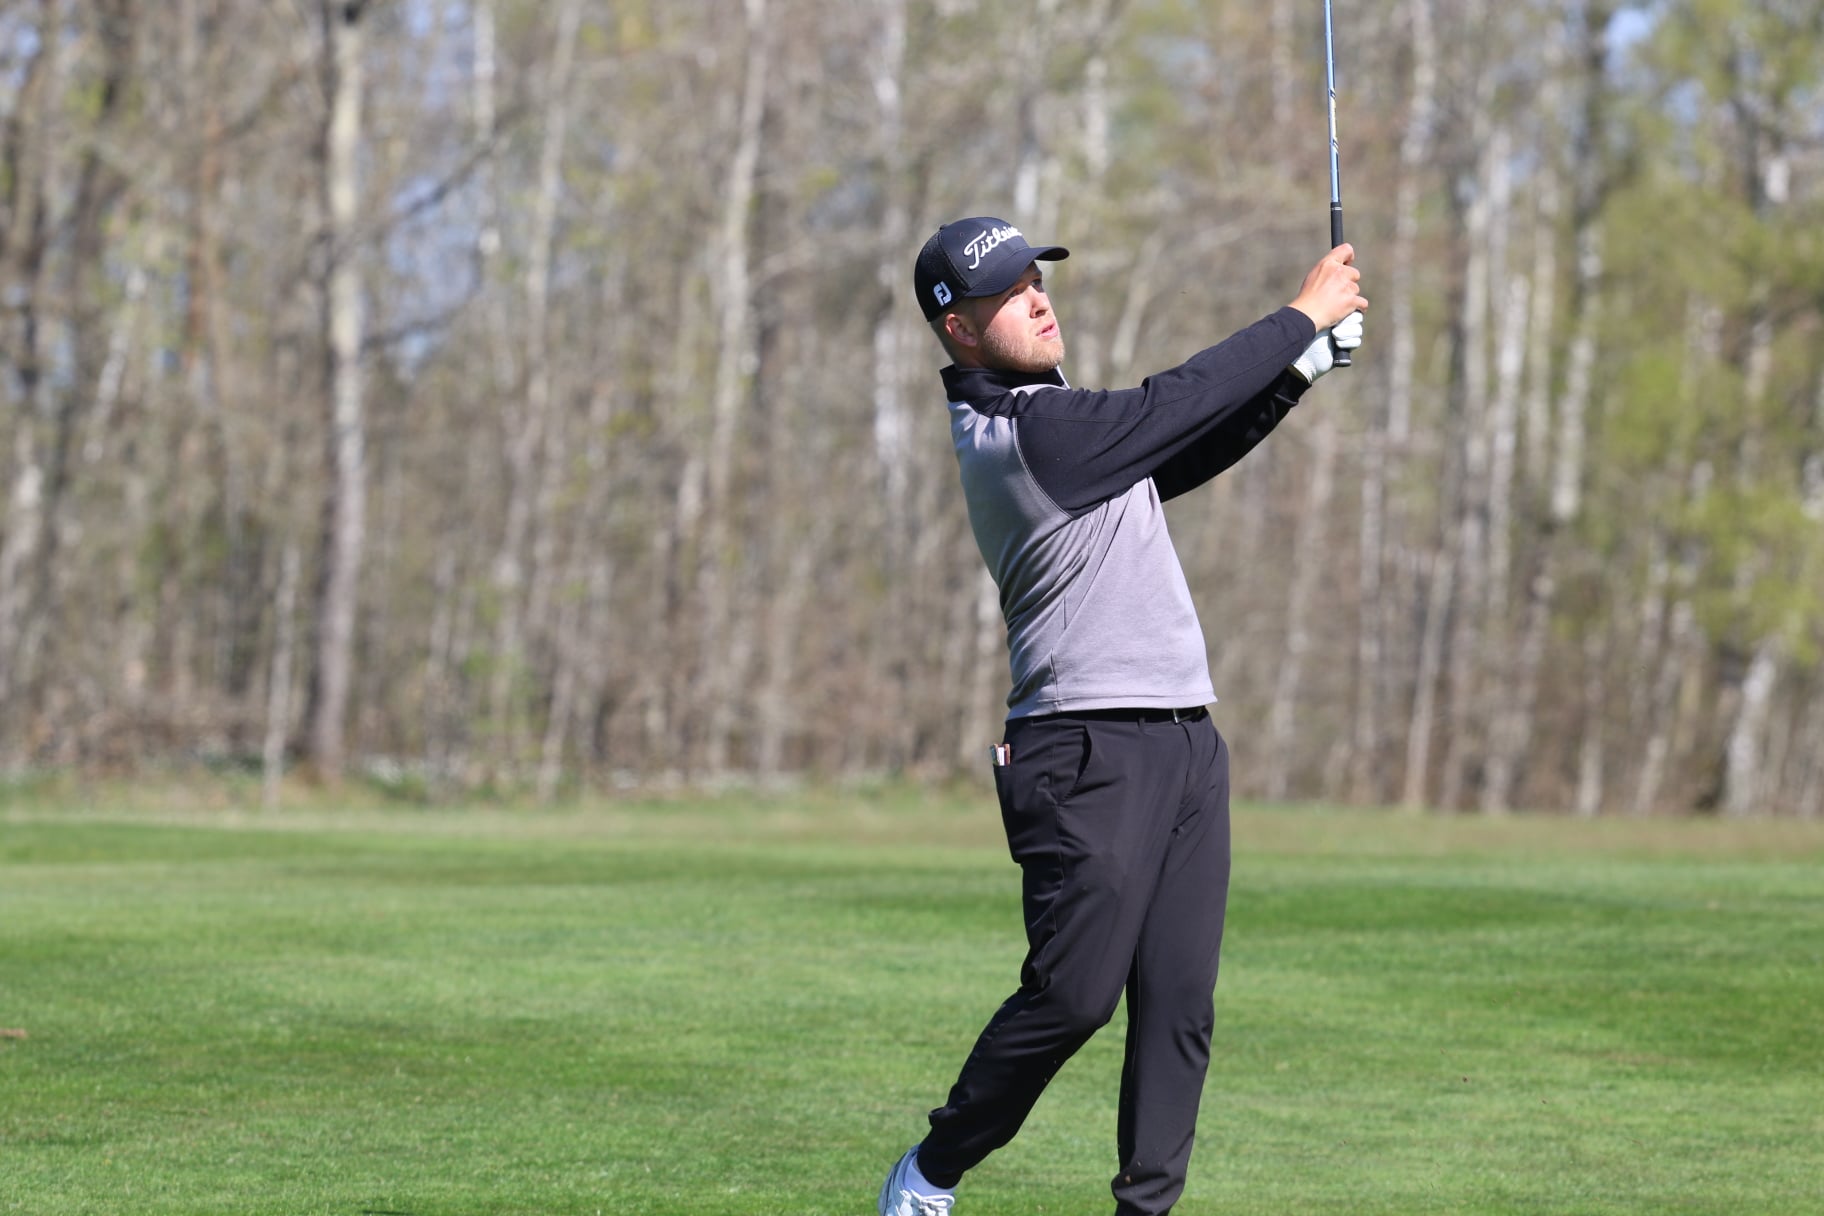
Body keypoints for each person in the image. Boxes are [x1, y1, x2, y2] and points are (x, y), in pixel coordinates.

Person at [876, 217, 1367, 1216]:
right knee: (1074, 994)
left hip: (1186, 741)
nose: (1041, 299)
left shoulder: (1069, 426)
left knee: (1179, 1007)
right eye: (1013, 293)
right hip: (1085, 748)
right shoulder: (1026, 431)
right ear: (959, 330)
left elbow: (1183, 445)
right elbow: (1170, 404)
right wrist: (1298, 316)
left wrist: (1304, 365)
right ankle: (931, 1171)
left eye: (1038, 280)